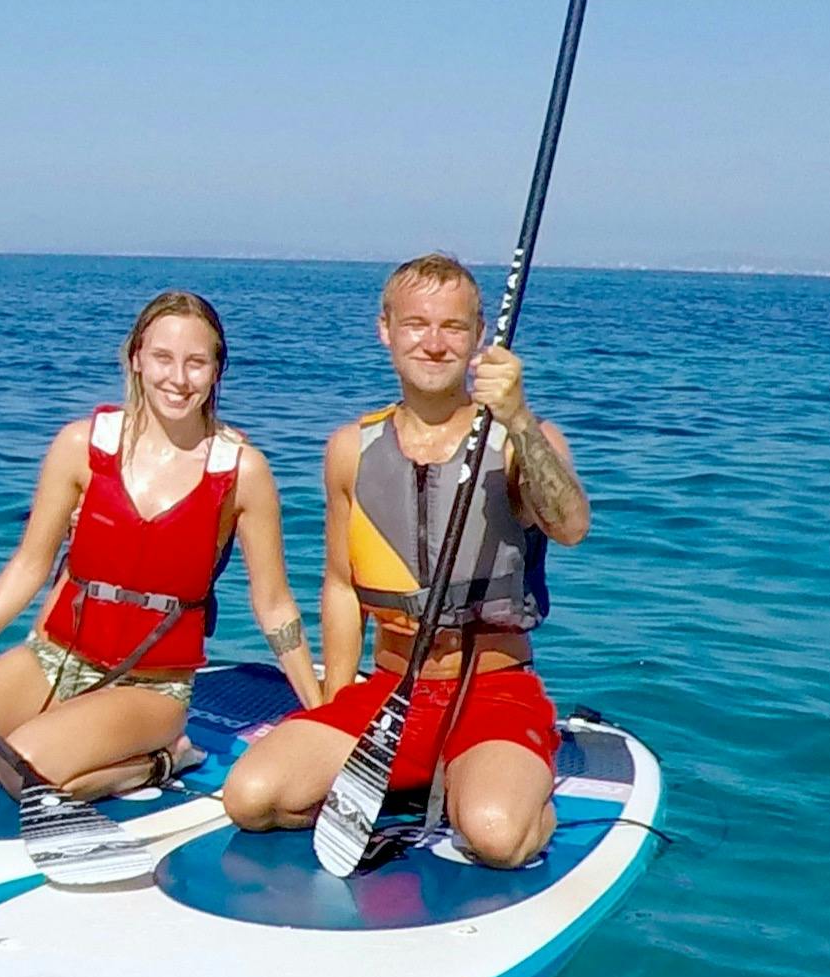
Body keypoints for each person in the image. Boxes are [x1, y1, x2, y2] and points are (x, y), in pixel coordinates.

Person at [220, 252, 592, 867]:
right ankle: (428, 781)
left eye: (453, 327)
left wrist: (519, 418)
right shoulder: (351, 449)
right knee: (252, 798)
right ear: (385, 329)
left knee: (496, 837)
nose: (435, 343)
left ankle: (501, 785)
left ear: (478, 339)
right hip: (393, 691)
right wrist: (335, 708)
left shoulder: (525, 438)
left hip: (493, 690)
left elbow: (572, 526)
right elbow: (341, 586)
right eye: (417, 323)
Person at [0, 290, 325, 796]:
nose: (178, 379)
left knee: (21, 768)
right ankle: (62, 736)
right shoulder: (79, 446)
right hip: (53, 659)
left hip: (151, 686)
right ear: (136, 358)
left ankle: (162, 759)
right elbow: (29, 564)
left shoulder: (243, 471)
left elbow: (274, 604)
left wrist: (319, 711)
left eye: (196, 363)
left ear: (217, 370)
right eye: (163, 358)